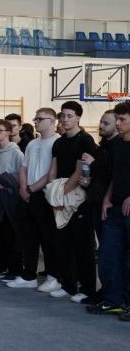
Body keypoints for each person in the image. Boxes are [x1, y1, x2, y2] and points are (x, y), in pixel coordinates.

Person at [46, 101, 97, 302]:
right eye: (62, 116)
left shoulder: (85, 140)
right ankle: (68, 285)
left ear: (78, 118)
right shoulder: (58, 142)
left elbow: (78, 172)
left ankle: (87, 288)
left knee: (82, 245)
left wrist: (61, 195)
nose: (65, 120)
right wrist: (52, 193)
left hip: (76, 197)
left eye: (69, 116)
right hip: (59, 195)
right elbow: (53, 170)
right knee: (63, 243)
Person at [88, 101, 130, 321]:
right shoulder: (118, 146)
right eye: (118, 119)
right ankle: (113, 300)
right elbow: (116, 176)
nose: (119, 124)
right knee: (108, 254)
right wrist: (107, 198)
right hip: (115, 207)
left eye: (123, 119)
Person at [9, 108, 60, 290]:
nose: (36, 122)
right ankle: (29, 275)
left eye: (40, 119)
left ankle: (53, 277)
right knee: (28, 238)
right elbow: (24, 167)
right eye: (35, 119)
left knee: (48, 239)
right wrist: (24, 188)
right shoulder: (32, 143)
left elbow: (51, 172)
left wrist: (32, 188)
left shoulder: (57, 142)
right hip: (28, 194)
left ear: (52, 121)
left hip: (45, 194)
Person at [77, 110, 118, 305]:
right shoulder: (102, 147)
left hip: (109, 207)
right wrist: (87, 180)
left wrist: (94, 164)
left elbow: (114, 175)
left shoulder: (118, 148)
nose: (101, 126)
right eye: (101, 121)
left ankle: (113, 293)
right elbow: (97, 176)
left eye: (106, 123)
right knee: (104, 252)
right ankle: (106, 291)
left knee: (110, 253)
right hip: (95, 202)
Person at [0, 119, 25, 282]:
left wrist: (8, 182)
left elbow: (22, 175)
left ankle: (14, 269)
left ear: (8, 133)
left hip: (10, 197)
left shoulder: (16, 152)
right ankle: (1, 266)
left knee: (11, 233)